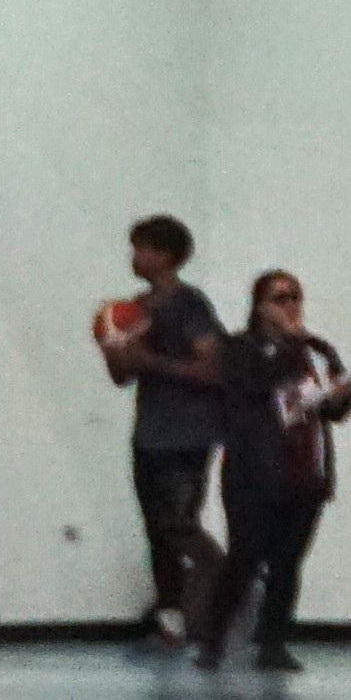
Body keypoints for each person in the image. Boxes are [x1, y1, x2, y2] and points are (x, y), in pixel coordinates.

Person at [191, 274, 351, 671]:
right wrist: (289, 343)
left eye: (296, 297)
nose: (291, 306)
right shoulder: (238, 348)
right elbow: (254, 384)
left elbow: (335, 408)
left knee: (288, 562)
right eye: (280, 298)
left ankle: (273, 642)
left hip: (305, 470)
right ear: (260, 305)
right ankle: (214, 639)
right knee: (244, 557)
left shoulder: (316, 349)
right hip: (254, 469)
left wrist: (341, 394)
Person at [92, 216, 226, 641]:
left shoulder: (189, 305)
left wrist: (152, 362)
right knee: (156, 528)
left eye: (141, 248)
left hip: (187, 434)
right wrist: (113, 349)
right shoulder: (135, 308)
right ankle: (170, 616)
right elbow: (122, 376)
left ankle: (228, 591)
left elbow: (213, 367)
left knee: (179, 523)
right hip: (149, 431)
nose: (134, 257)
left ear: (165, 255)